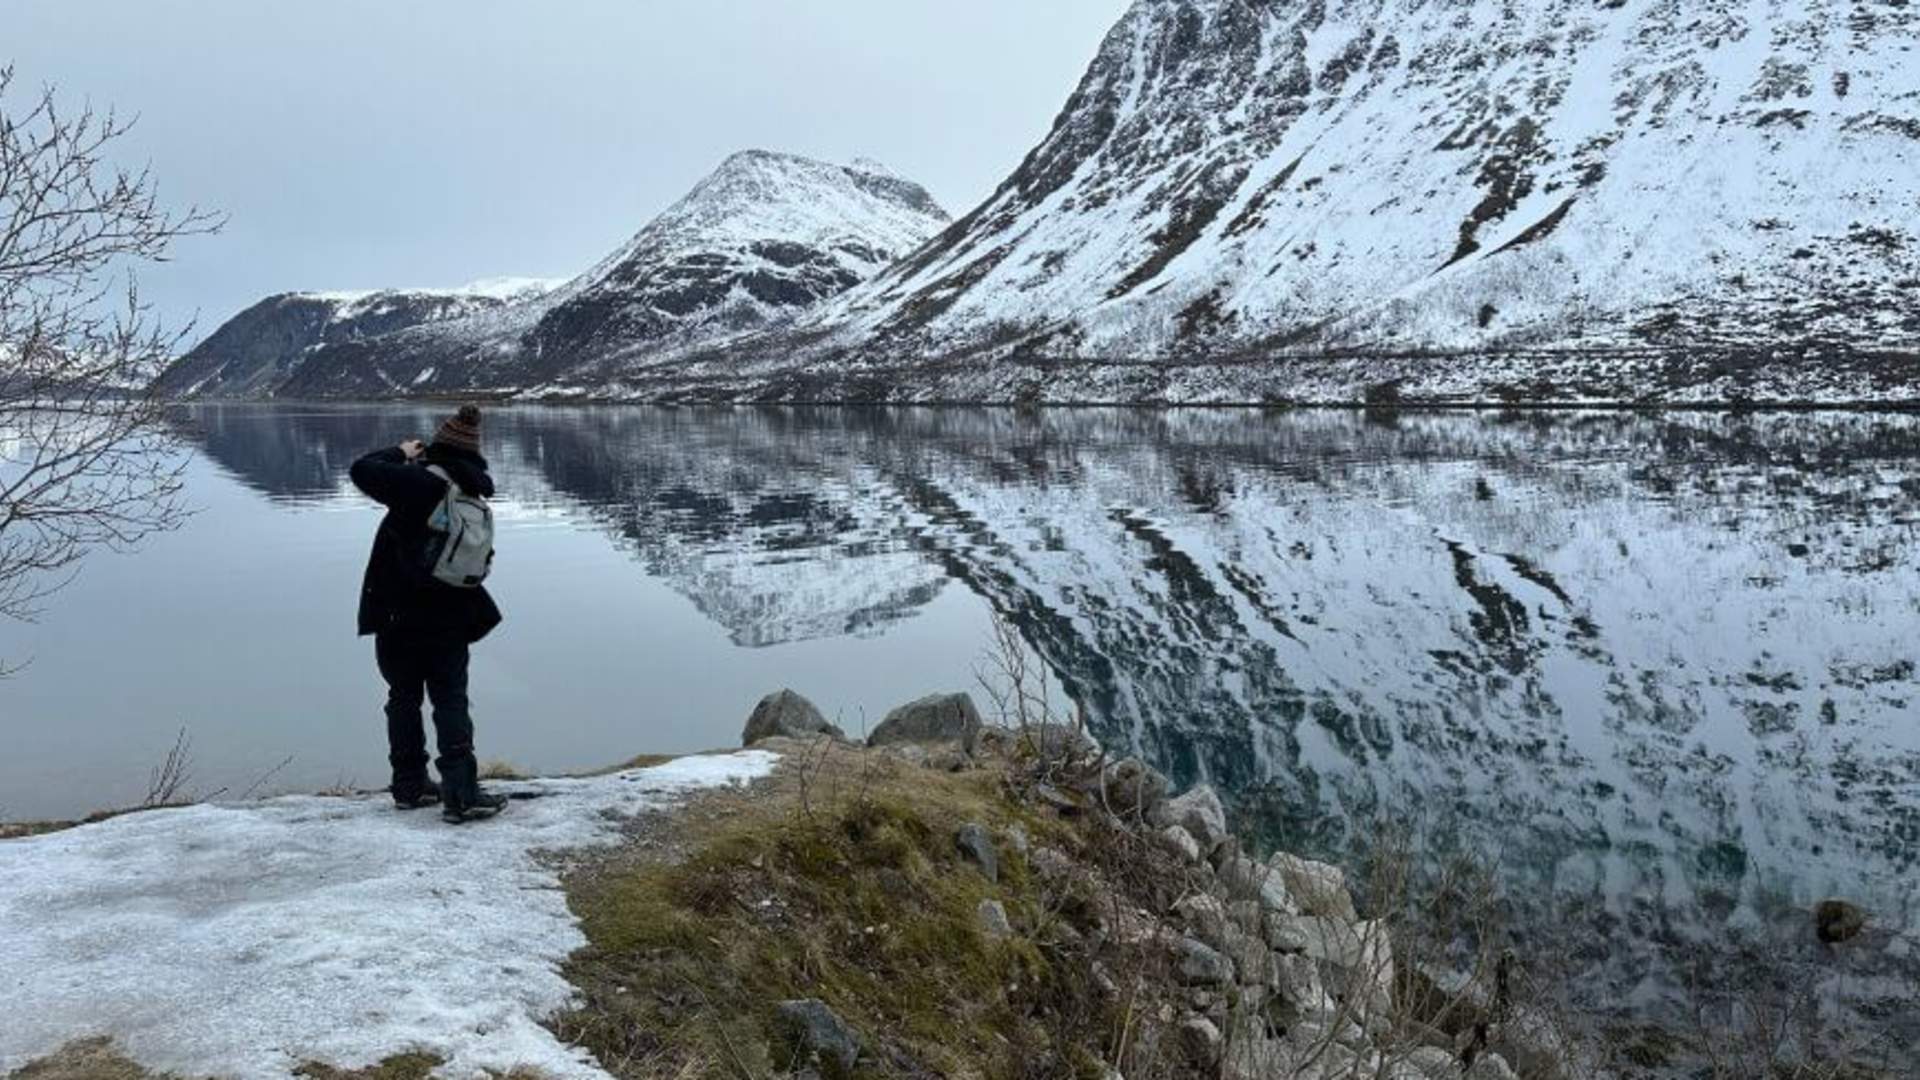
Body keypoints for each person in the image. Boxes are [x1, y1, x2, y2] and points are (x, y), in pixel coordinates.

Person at [349, 404, 508, 823]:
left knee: (402, 698)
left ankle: (411, 785)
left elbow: (362, 469)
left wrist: (401, 452)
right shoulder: (472, 491)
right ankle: (462, 792)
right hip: (451, 615)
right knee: (450, 699)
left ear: (436, 447)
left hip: (399, 614)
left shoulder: (417, 483)